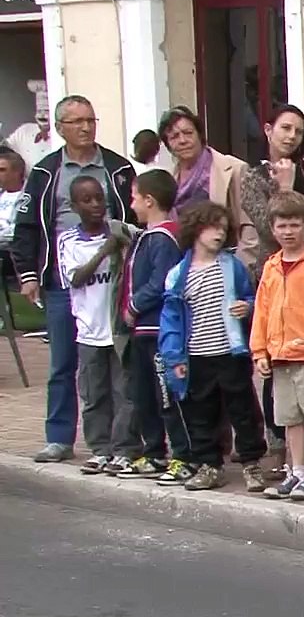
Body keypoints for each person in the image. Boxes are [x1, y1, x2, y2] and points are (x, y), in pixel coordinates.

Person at [11, 94, 138, 463]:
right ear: (60, 128)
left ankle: (118, 442)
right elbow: (28, 226)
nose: (85, 127)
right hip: (61, 282)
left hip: (111, 284)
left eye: (91, 120)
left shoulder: (116, 169)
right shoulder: (45, 172)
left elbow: (135, 218)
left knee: (115, 361)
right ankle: (59, 437)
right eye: (77, 121)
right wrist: (30, 275)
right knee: (63, 362)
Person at [158, 202, 267, 491]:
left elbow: (251, 297)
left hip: (230, 352)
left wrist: (248, 307)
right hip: (196, 355)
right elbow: (171, 319)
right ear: (196, 228)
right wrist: (173, 357)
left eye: (223, 228)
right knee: (200, 411)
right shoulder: (178, 274)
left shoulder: (233, 267)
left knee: (243, 409)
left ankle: (251, 463)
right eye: (212, 227)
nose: (218, 234)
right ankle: (209, 465)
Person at [251, 191, 304, 501]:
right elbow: (262, 309)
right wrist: (259, 350)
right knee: (290, 418)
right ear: (273, 229)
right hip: (280, 356)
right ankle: (296, 471)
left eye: (294, 225)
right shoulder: (271, 266)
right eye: (282, 226)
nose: (288, 232)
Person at [115, 170, 193, 482]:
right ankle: (154, 452)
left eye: (134, 197)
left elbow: (161, 280)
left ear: (150, 200)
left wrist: (134, 305)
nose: (131, 203)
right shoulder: (146, 236)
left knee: (166, 396)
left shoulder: (164, 238)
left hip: (159, 330)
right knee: (144, 394)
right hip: (141, 333)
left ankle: (183, 455)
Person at [57, 176, 136, 475]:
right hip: (89, 332)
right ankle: (100, 449)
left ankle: (124, 449)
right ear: (74, 205)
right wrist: (105, 251)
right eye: (87, 200)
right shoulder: (68, 240)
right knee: (94, 394)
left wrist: (118, 243)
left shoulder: (120, 231)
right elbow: (75, 278)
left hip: (117, 330)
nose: (95, 205)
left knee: (124, 393)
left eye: (99, 198)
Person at [239, 104, 304, 281]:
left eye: (299, 132)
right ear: (268, 130)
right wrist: (284, 189)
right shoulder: (253, 177)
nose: (292, 136)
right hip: (274, 269)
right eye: (286, 128)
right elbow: (268, 228)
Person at [159, 106, 251, 232]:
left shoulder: (235, 169)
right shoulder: (168, 180)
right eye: (174, 137)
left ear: (200, 135)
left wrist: (242, 252)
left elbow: (249, 225)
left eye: (188, 133)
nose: (183, 140)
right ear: (168, 144)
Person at [0, 149, 25, 248]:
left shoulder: (29, 196)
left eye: (2, 170)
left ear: (17, 172)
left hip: (10, 253)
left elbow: (19, 229)